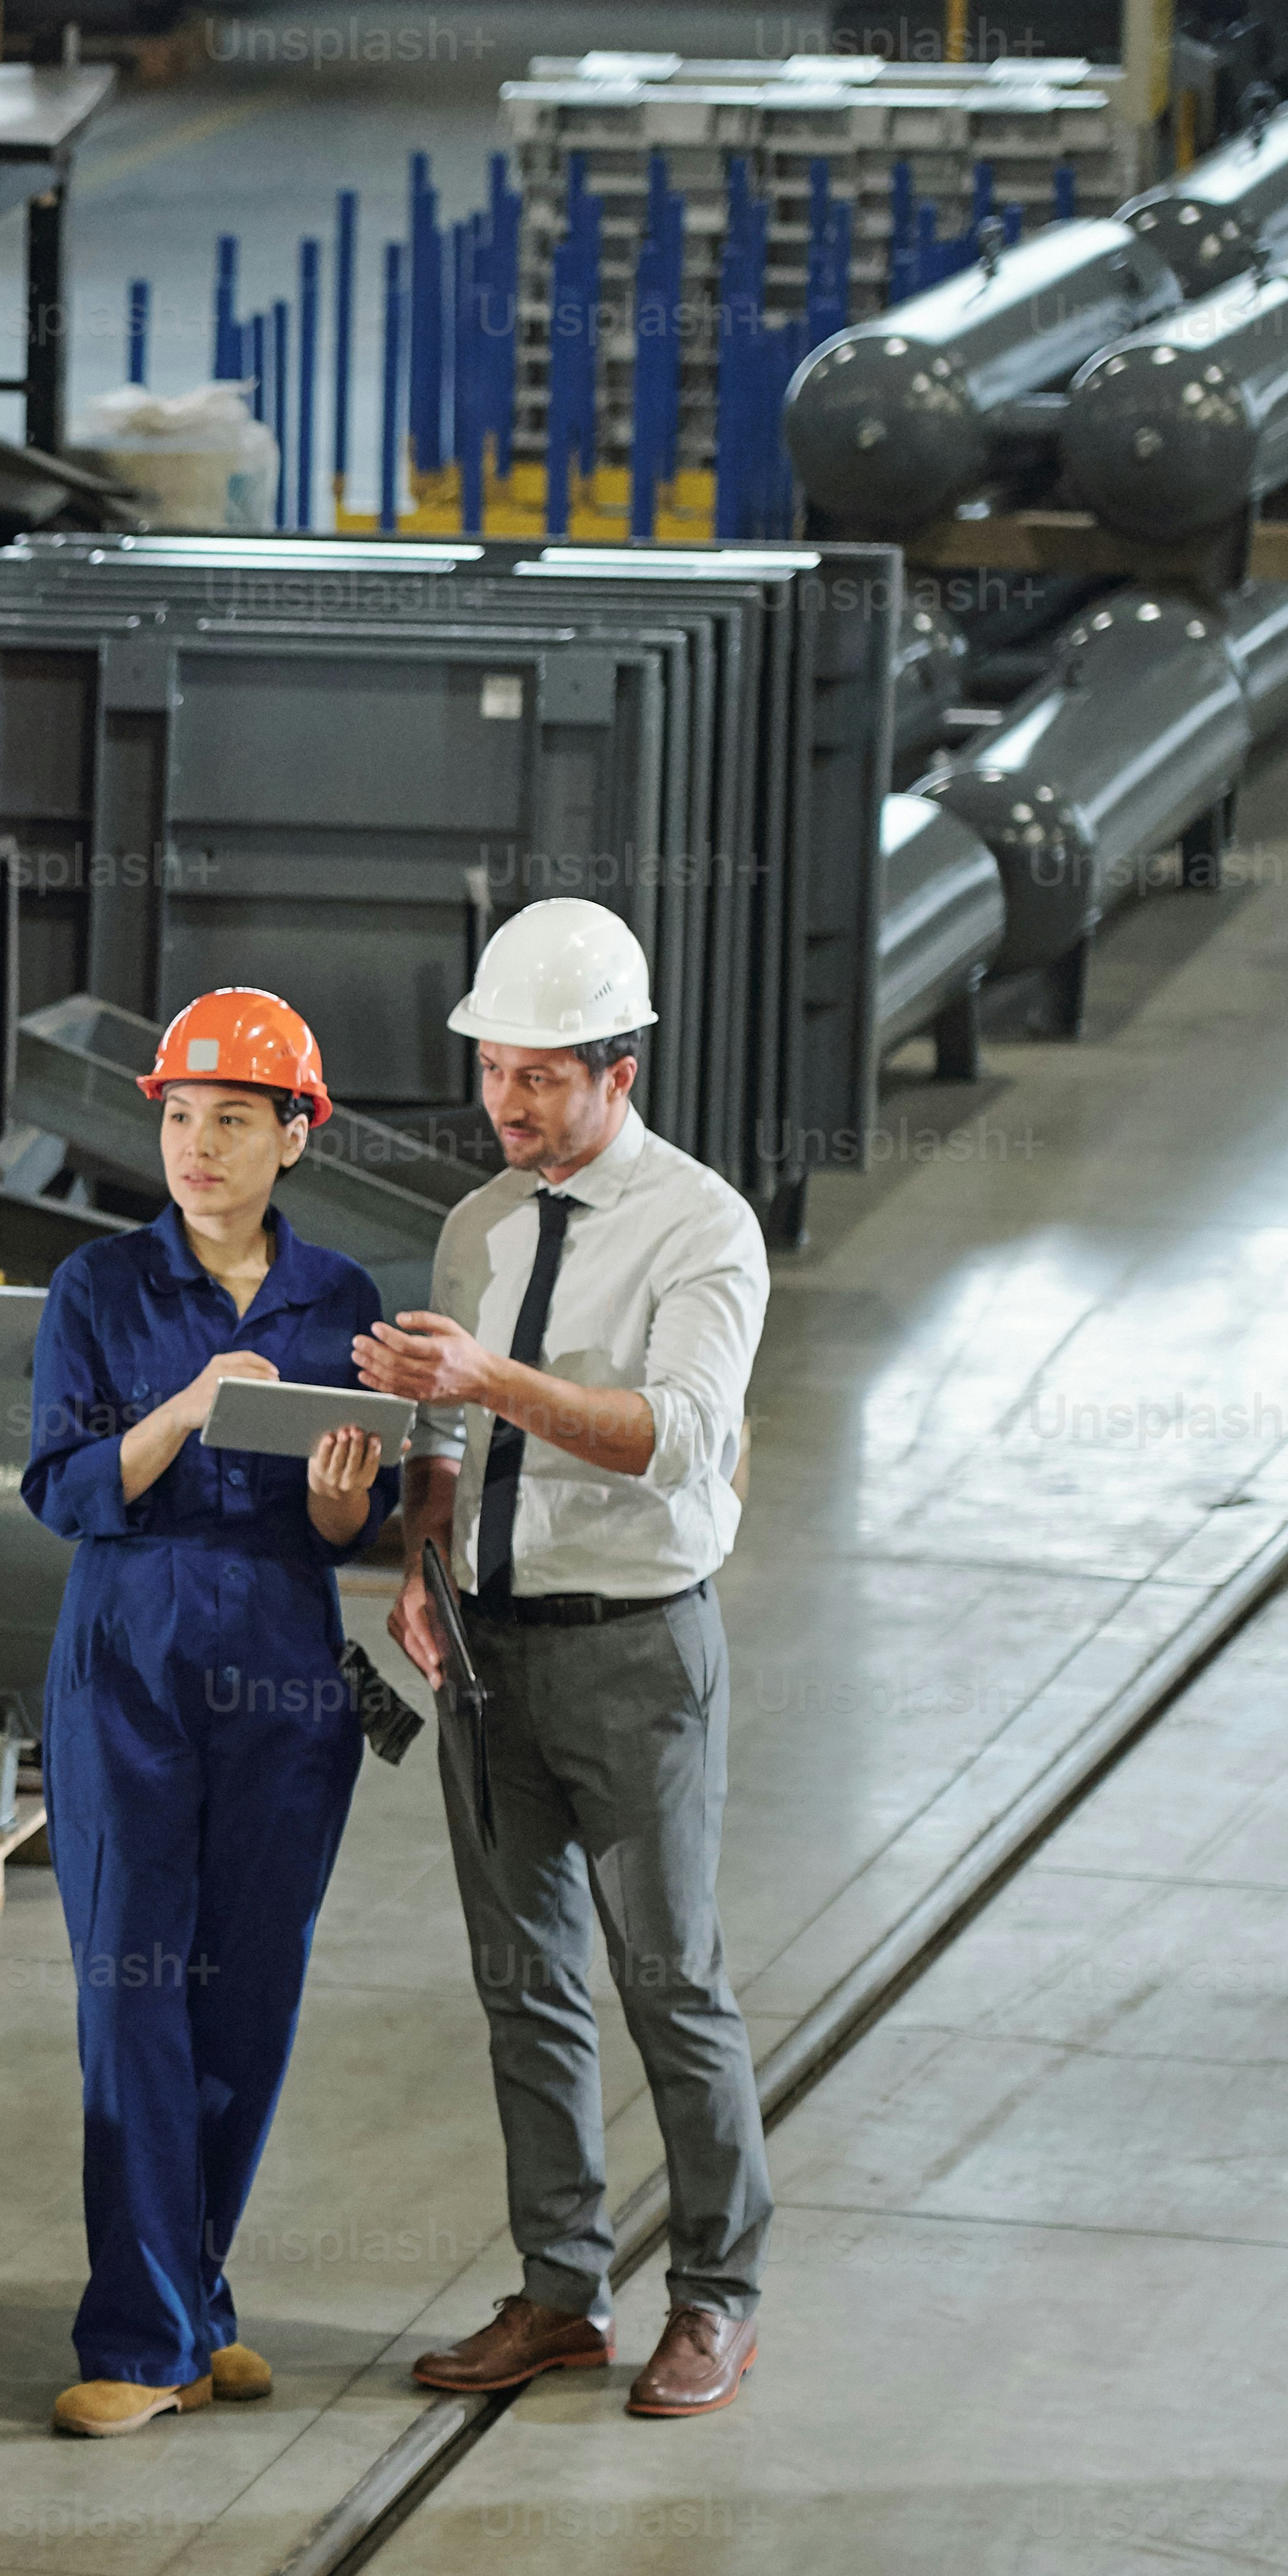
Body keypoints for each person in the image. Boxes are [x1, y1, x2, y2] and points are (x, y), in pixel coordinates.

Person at [350, 897, 774, 2421]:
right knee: (525, 1983)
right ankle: (559, 2291)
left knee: (670, 1980)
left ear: (622, 1073)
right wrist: (420, 1551)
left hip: (635, 1655)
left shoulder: (701, 1231)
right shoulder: (480, 1230)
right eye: (491, 1072)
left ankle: (717, 2296)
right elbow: (449, 1436)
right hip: (491, 1654)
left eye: (539, 1077)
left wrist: (492, 1377)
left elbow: (681, 1441)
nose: (506, 1106)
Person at [17, 987, 396, 2439]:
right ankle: (138, 2336)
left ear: (297, 1136)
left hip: (287, 1672)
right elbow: (61, 1491)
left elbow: (337, 1531)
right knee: (133, 2000)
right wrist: (182, 1410)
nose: (199, 1147)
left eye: (234, 1120)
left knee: (248, 1997)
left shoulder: (342, 1302)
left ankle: (196, 2299)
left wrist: (344, 1505)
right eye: (180, 1117)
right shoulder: (97, 1293)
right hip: (132, 1661)